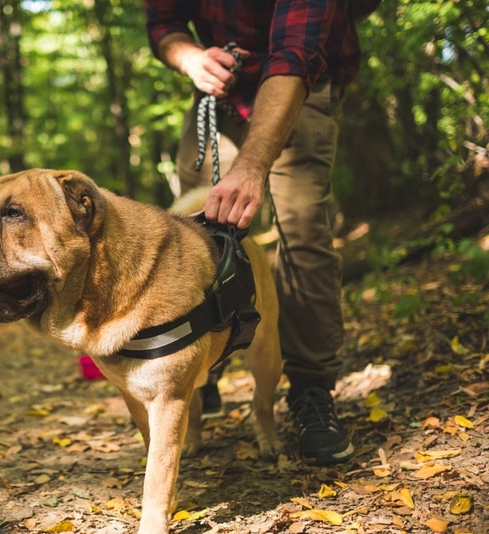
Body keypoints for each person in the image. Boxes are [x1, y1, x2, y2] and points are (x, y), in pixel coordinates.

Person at [145, 0, 359, 466]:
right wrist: (189, 57)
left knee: (302, 232)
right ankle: (206, 364)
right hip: (220, 94)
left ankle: (310, 390)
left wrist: (252, 165)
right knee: (191, 234)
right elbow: (161, 22)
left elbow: (294, 53)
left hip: (302, 81)